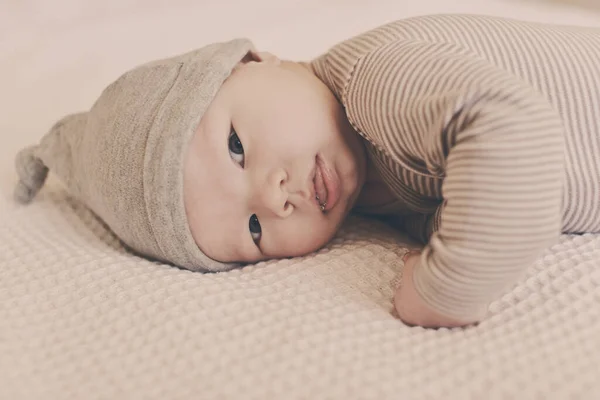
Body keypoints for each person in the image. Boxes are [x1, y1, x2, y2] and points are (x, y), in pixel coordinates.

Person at [15, 14, 600, 329]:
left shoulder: (379, 79)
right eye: (251, 232)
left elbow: (518, 137)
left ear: (254, 60)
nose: (275, 199)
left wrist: (441, 290)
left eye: (237, 146)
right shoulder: (368, 188)